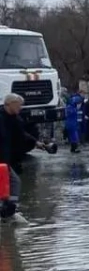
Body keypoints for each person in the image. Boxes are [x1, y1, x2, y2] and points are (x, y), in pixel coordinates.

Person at [0, 94, 42, 223]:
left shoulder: (15, 119)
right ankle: (8, 211)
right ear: (10, 104)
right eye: (18, 105)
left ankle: (8, 210)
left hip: (6, 158)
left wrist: (36, 143)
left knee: (11, 182)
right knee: (13, 182)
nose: (20, 107)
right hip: (2, 159)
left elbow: (22, 134)